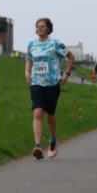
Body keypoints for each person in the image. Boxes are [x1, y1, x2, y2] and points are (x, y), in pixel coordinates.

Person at [25, 18, 75, 159]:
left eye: (42, 26)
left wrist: (66, 74)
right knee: (38, 112)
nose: (39, 28)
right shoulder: (31, 44)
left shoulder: (55, 43)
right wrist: (27, 72)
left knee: (50, 115)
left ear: (48, 28)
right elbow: (29, 59)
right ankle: (38, 146)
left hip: (52, 84)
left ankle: (53, 140)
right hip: (36, 83)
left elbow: (71, 57)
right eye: (37, 26)